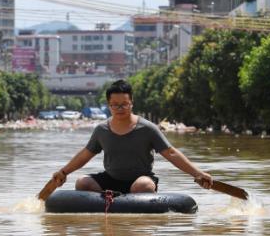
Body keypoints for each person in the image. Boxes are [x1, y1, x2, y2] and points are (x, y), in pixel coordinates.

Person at [51, 79, 213, 194]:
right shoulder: (101, 129)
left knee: (143, 186)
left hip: (140, 179)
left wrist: (197, 173)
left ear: (131, 103)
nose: (120, 108)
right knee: (82, 183)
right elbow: (85, 154)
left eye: (124, 104)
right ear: (109, 105)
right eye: (115, 105)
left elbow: (171, 153)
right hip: (110, 179)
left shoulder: (148, 128)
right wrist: (63, 172)